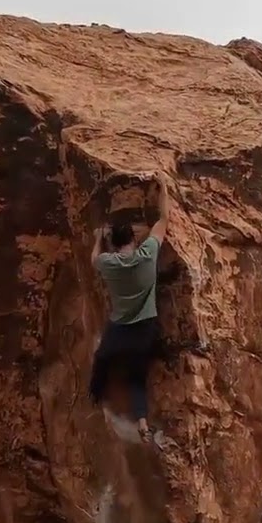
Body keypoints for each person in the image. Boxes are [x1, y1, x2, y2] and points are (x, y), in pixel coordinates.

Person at [89, 173, 172, 443]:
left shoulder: (108, 264)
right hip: (145, 329)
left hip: (119, 329)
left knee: (102, 358)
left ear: (114, 244)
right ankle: (143, 423)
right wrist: (164, 188)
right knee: (137, 378)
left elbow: (94, 258)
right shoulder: (147, 255)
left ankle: (95, 393)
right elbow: (163, 220)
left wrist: (99, 239)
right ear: (134, 240)